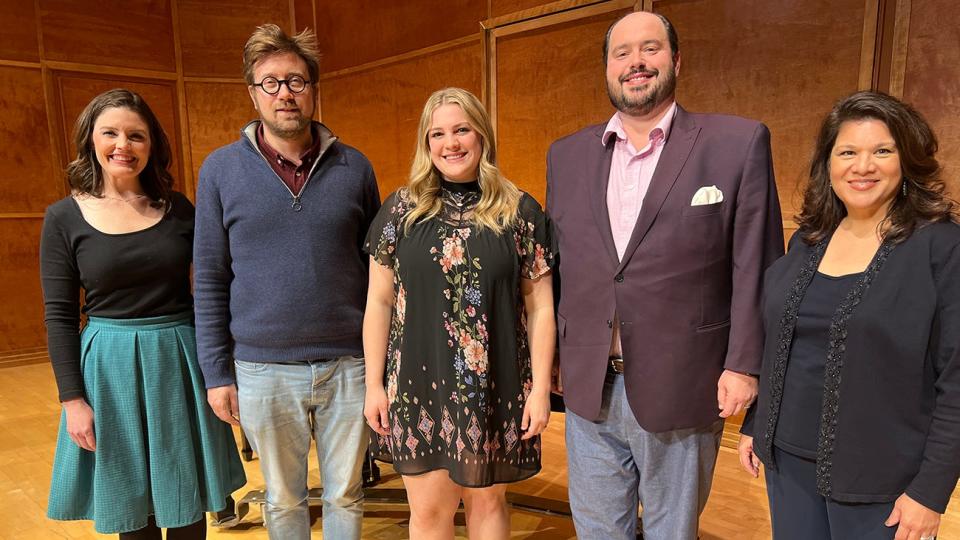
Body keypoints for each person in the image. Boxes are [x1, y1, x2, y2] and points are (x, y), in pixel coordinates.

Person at [545, 11, 785, 540]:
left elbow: (758, 265)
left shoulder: (736, 144)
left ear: (676, 60)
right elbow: (563, 267)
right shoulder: (566, 156)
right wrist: (556, 358)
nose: (636, 63)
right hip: (591, 385)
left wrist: (745, 365)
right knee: (597, 532)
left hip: (684, 380)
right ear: (607, 68)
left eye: (650, 49)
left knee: (673, 533)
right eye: (622, 53)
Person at [738, 91, 960, 540]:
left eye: (882, 150)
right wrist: (756, 425)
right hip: (788, 462)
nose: (863, 166)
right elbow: (784, 344)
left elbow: (957, 380)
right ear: (829, 163)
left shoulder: (941, 247)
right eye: (848, 152)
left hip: (883, 480)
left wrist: (930, 492)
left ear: (907, 160)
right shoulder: (808, 238)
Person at [193, 24, 380, 540]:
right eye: (270, 83)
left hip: (349, 362)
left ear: (313, 88)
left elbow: (377, 272)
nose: (285, 94)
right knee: (282, 499)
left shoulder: (355, 167)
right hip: (261, 368)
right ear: (253, 93)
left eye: (296, 81)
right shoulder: (220, 171)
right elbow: (209, 276)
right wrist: (216, 372)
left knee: (346, 493)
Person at [40, 88, 246, 538]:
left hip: (178, 359)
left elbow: (219, 280)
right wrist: (72, 400)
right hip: (109, 369)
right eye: (110, 133)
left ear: (152, 145)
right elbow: (58, 316)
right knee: (133, 508)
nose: (123, 146)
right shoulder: (63, 217)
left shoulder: (179, 210)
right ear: (90, 140)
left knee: (187, 501)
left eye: (136, 136)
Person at [363, 87, 556, 539]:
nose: (451, 143)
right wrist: (373, 384)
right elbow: (379, 302)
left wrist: (541, 389)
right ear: (426, 144)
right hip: (414, 386)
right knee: (429, 513)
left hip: (496, 384)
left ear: (482, 136)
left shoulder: (519, 211)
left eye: (461, 129)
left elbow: (540, 305)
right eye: (438, 134)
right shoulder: (400, 212)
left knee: (488, 505)